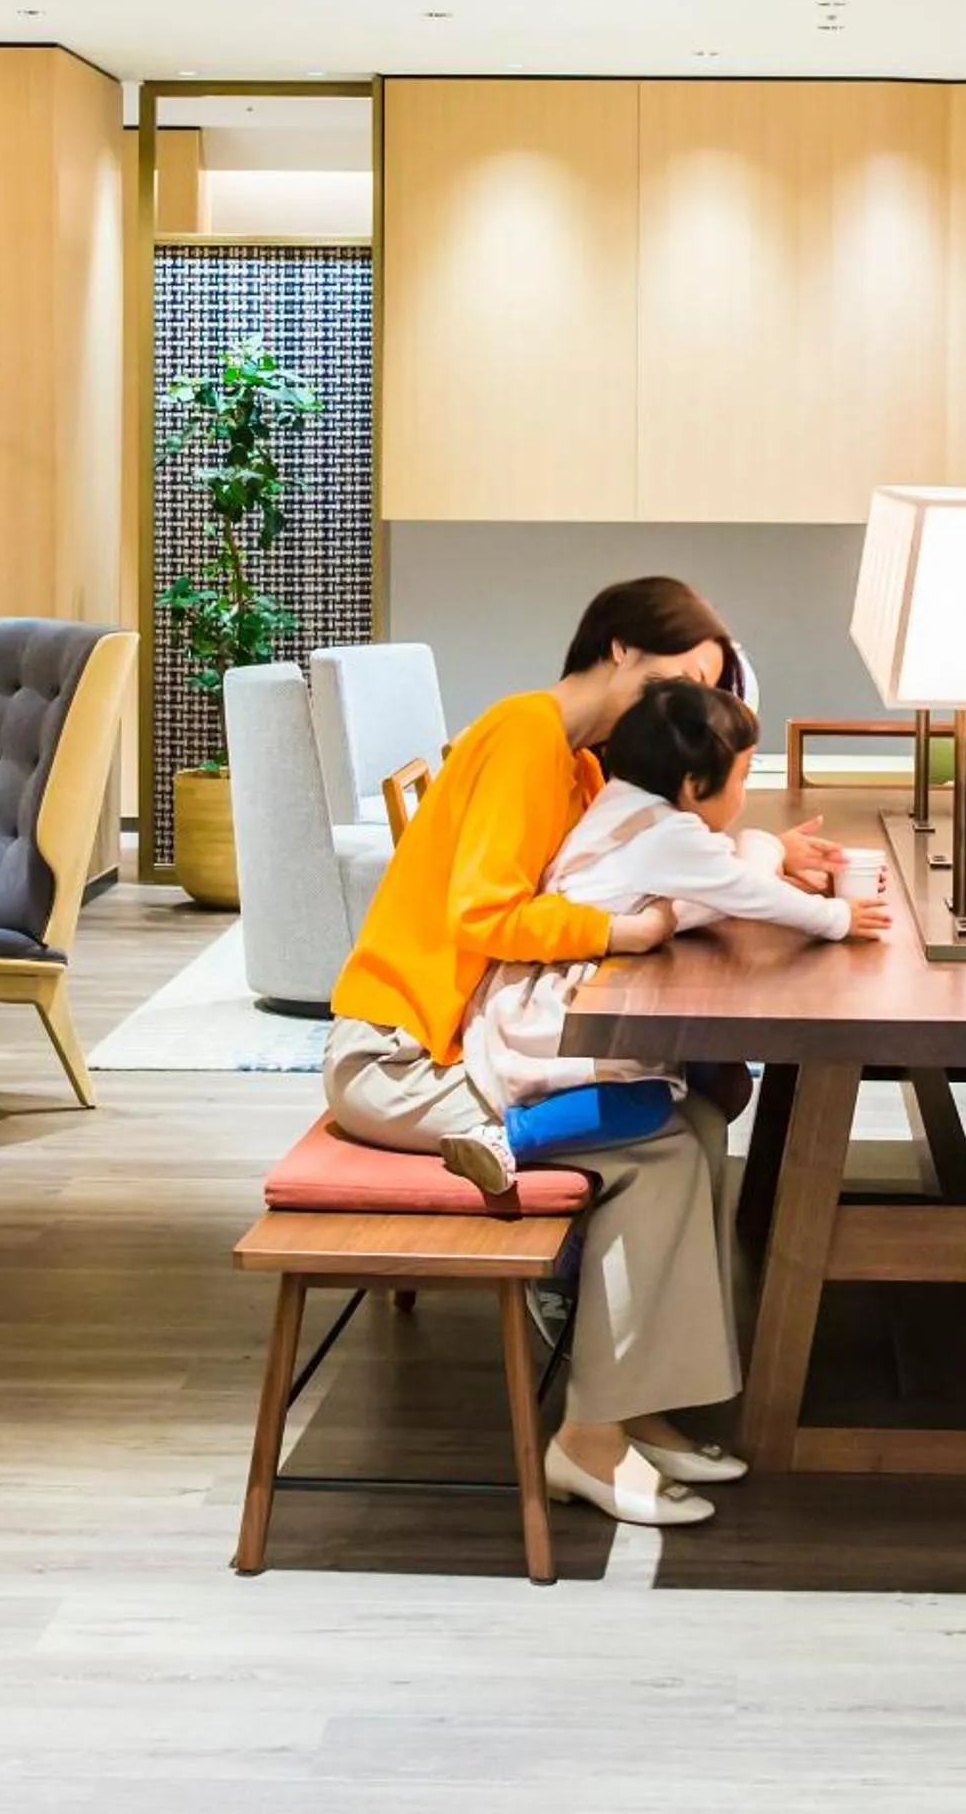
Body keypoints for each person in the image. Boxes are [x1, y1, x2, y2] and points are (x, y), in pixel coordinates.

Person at [324, 578, 845, 1529]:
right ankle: (589, 1439)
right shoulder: (526, 733)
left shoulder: (582, 765)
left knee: (696, 1118)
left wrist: (760, 853)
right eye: (688, 678)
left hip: (458, 1040)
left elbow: (638, 856)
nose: (690, 704)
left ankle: (637, 1403)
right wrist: (623, 935)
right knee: (658, 1151)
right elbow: (486, 915)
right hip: (402, 1055)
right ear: (619, 649)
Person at [444, 676, 889, 1196]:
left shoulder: (626, 802)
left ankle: (711, 1183)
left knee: (712, 1074)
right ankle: (507, 1138)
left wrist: (767, 848)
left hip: (551, 983)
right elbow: (749, 890)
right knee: (644, 1100)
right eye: (743, 777)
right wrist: (837, 917)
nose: (745, 793)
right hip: (562, 1006)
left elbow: (719, 885)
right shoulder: (671, 837)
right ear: (694, 785)